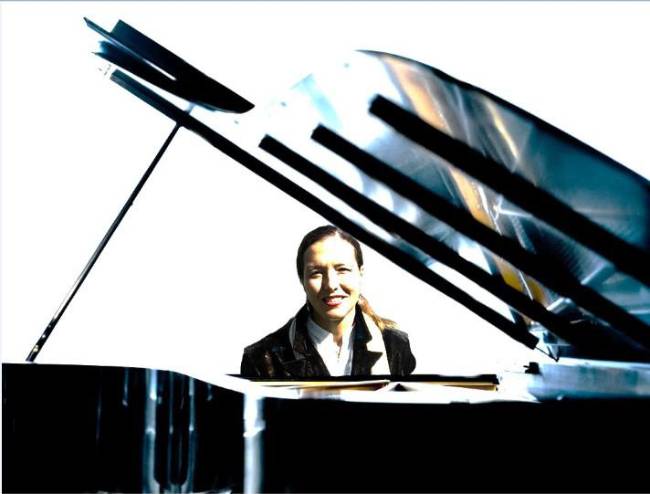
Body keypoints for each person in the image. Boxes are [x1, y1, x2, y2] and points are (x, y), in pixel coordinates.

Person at [240, 225, 416, 377]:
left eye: (342, 270)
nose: (331, 285)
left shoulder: (395, 346)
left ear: (360, 273)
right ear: (302, 279)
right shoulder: (261, 358)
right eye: (316, 273)